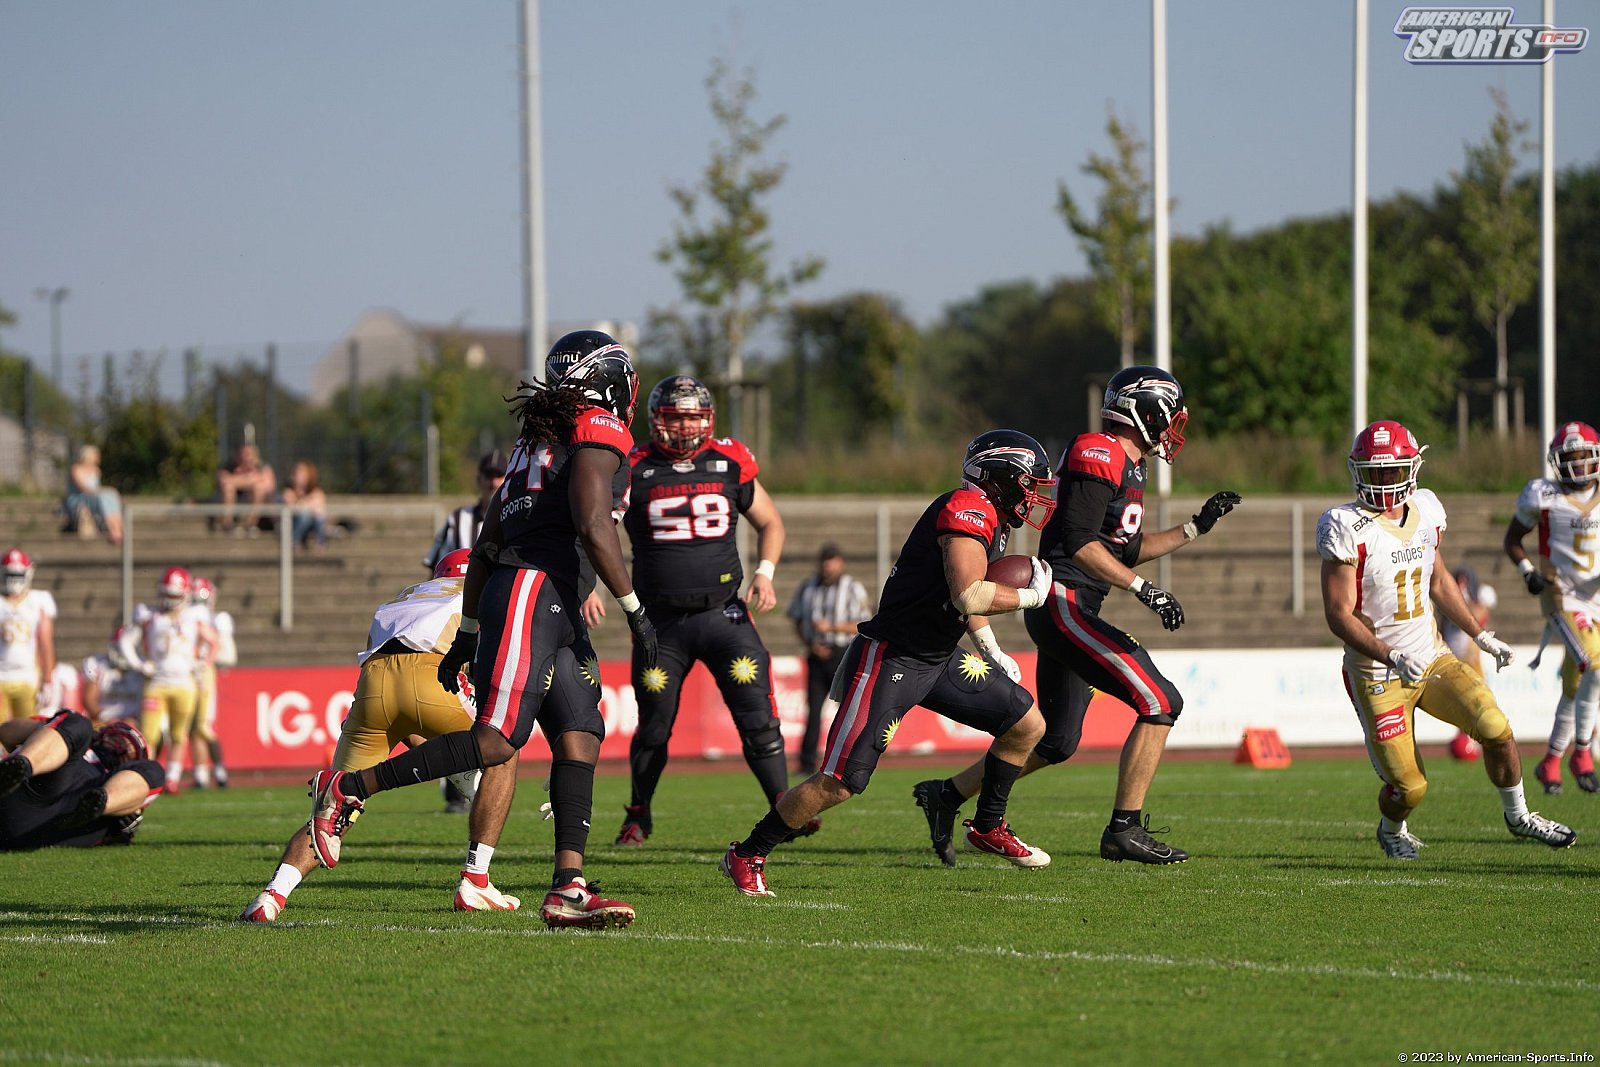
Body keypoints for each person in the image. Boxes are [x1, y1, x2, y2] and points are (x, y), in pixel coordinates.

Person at [305, 329, 659, 930]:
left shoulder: (536, 440)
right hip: (534, 590)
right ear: (606, 382)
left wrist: (469, 628)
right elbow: (593, 523)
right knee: (497, 741)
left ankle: (567, 888)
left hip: (538, 595)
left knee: (580, 734)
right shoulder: (596, 427)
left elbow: (488, 537)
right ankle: (349, 787)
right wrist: (635, 609)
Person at [912, 367, 1238, 867]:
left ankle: (948, 794)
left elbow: (1124, 549)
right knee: (1160, 700)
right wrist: (1145, 591)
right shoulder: (1098, 450)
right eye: (1169, 414)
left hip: (1074, 606)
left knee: (1058, 740)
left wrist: (1195, 528)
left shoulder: (1130, 466)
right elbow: (1080, 544)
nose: (1174, 426)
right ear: (1147, 412)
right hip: (1063, 602)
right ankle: (1124, 829)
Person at [720, 429, 1056, 898]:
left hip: (937, 659)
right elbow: (968, 593)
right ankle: (747, 853)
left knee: (1025, 725)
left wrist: (989, 647)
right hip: (892, 658)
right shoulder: (967, 507)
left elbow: (965, 597)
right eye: (1028, 482)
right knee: (840, 782)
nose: (1034, 493)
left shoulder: (990, 517)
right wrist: (1028, 598)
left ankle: (987, 826)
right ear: (999, 477)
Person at [1318, 420, 1574, 859]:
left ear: (1412, 469)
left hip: (1433, 657)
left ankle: (1519, 816)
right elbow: (1338, 614)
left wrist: (1479, 633)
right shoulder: (1346, 526)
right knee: (1410, 787)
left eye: (1391, 470)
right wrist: (1392, 656)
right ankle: (1391, 829)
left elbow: (1438, 581)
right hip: (1378, 673)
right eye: (1374, 471)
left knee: (1495, 728)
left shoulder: (1426, 510)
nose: (1383, 480)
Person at [241, 550, 493, 922]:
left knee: (333, 807)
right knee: (499, 748)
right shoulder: (474, 592)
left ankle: (271, 896)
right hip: (431, 674)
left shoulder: (406, 596)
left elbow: (404, 714)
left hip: (373, 686)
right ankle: (476, 880)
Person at [613, 376, 795, 847]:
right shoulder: (634, 466)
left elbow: (771, 522)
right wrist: (591, 587)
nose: (685, 426)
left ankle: (787, 810)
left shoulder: (730, 459)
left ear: (708, 419)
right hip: (660, 625)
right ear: (657, 420)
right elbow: (597, 528)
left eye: (693, 416)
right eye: (676, 417)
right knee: (654, 727)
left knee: (759, 721)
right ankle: (639, 813)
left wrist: (765, 572)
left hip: (724, 616)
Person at [1503, 419, 1600, 795]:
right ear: (1558, 462)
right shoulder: (1543, 495)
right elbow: (1513, 539)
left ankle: (1550, 761)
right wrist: (1528, 571)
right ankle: (1582, 752)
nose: (1578, 464)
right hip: (1563, 597)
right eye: (1570, 458)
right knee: (1595, 666)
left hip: (1597, 599)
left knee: (1576, 684)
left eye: (1584, 456)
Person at [118, 567, 217, 792]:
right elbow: (125, 642)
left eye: (174, 595)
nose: (170, 600)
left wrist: (202, 664)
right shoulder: (149, 615)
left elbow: (213, 642)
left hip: (184, 684)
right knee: (149, 734)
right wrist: (139, 664)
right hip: (157, 683)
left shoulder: (194, 616)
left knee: (178, 734)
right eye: (167, 594)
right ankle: (145, 776)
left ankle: (172, 778)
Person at [0, 713, 160, 851]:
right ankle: (22, 765)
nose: (122, 747)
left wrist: (125, 820)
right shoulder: (72, 739)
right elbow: (6, 732)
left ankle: (103, 803)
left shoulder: (128, 775)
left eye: (128, 750)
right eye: (121, 741)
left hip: (69, 820)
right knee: (77, 723)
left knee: (154, 770)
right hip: (37, 798)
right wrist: (44, 725)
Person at [787, 542, 871, 775]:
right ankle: (806, 763)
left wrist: (832, 627)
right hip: (816, 654)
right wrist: (810, 644)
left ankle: (851, 760)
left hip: (843, 653)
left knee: (848, 709)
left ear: (840, 563)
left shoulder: (852, 588)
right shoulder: (808, 587)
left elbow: (863, 623)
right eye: (825, 561)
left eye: (832, 561)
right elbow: (797, 619)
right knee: (813, 710)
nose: (828, 566)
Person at [1438, 566, 1496, 761]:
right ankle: (1467, 739)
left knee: (1479, 702)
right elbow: (1442, 623)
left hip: (1472, 661)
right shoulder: (1447, 600)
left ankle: (1479, 740)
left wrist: (1461, 598)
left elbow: (1476, 615)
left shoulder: (1481, 597)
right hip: (1451, 659)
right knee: (1459, 705)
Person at [186, 577, 237, 788]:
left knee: (203, 726)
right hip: (188, 674)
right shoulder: (186, 619)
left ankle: (219, 770)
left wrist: (205, 661)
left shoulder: (217, 620)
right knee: (193, 727)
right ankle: (201, 774)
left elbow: (228, 655)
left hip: (204, 673)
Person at [423, 449, 508, 572]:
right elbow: (437, 571)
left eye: (499, 475)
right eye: (489, 476)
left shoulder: (515, 519)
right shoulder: (457, 519)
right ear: (479, 479)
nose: (493, 483)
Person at [1, 549, 57, 722]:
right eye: (10, 574)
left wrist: (47, 680)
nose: (14, 579)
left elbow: (45, 642)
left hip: (27, 677)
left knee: (26, 731)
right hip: (1, 677)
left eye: (18, 575)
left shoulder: (38, 601)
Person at [81, 627, 146, 724]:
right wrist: (105, 718)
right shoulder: (97, 664)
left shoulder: (144, 667)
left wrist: (137, 720)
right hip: (103, 721)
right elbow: (89, 700)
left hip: (136, 723)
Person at [64, 444, 123, 545]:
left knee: (111, 494)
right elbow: (82, 488)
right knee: (102, 497)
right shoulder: (76, 469)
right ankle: (112, 530)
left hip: (93, 496)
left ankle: (118, 528)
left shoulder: (96, 470)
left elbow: (96, 488)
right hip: (79, 498)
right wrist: (101, 491)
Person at [216, 443, 277, 534]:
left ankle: (251, 525)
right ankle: (228, 524)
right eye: (244, 453)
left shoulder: (262, 467)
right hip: (234, 499)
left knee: (259, 488)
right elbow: (224, 481)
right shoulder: (229, 467)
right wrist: (252, 479)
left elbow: (269, 486)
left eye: (249, 454)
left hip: (257, 501)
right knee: (229, 488)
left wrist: (237, 480)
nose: (246, 457)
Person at [280, 460, 329, 551]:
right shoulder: (288, 490)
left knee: (319, 517)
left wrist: (302, 503)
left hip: (312, 522)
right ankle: (294, 541)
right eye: (297, 472)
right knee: (305, 516)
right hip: (294, 521)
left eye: (303, 472)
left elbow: (319, 504)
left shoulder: (316, 490)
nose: (300, 475)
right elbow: (291, 506)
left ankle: (320, 544)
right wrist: (307, 502)